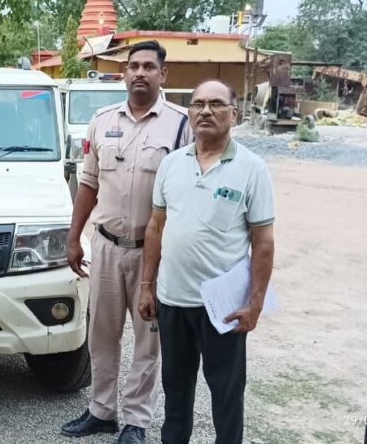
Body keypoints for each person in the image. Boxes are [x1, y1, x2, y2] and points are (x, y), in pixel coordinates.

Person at [62, 40, 191, 444]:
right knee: (101, 333)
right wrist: (73, 238)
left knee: (148, 340)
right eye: (133, 66)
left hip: (152, 253)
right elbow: (88, 184)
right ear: (124, 74)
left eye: (149, 67)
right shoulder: (102, 121)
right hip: (104, 245)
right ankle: (102, 410)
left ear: (163, 75)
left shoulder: (181, 125)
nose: (139, 73)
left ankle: (136, 420)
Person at [138, 80, 276, 444]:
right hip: (173, 299)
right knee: (175, 390)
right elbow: (155, 227)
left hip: (223, 307)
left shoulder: (252, 168)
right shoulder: (171, 164)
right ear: (190, 113)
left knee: (226, 394)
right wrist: (147, 286)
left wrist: (255, 304)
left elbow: (263, 242)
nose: (205, 111)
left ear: (234, 114)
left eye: (216, 104)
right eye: (198, 104)